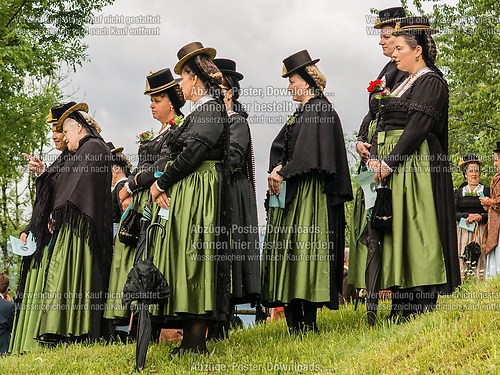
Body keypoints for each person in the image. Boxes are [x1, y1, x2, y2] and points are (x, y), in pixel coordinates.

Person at [368, 17, 460, 318]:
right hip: (402, 166)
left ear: (417, 50)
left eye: (399, 49)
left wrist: (389, 162)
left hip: (419, 165)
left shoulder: (431, 81)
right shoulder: (405, 81)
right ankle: (402, 302)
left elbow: (418, 126)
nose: (393, 55)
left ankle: (419, 305)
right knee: (402, 231)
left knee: (420, 229)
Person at [262, 50, 352, 334]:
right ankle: (293, 324)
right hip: (291, 193)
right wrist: (278, 168)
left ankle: (308, 324)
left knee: (305, 254)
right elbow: (283, 150)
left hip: (310, 196)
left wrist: (283, 171)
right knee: (289, 255)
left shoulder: (321, 110)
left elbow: (312, 157)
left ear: (307, 81)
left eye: (292, 80)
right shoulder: (300, 113)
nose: (289, 86)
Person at [149, 41, 229, 355]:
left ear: (195, 79)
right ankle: (189, 339)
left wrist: (161, 182)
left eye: (183, 78)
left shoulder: (210, 109)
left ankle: (196, 343)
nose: (180, 85)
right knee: (186, 259)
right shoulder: (199, 111)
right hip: (190, 188)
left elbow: (193, 153)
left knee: (196, 260)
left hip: (201, 191)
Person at [104, 68, 185, 329]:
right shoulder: (158, 132)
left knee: (157, 256)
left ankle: (163, 322)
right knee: (135, 258)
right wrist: (131, 186)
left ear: (171, 101)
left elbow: (163, 164)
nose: (151, 105)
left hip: (160, 199)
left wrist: (131, 184)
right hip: (140, 201)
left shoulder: (178, 129)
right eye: (151, 99)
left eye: (157, 100)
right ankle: (136, 322)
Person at [36, 102, 113, 343]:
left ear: (78, 128)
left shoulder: (95, 148)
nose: (64, 139)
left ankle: (78, 329)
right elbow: (60, 186)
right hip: (69, 226)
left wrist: (61, 210)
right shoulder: (78, 153)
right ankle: (60, 328)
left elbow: (82, 188)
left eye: (66, 132)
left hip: (84, 230)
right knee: (64, 276)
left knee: (79, 277)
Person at [349, 7, 408, 320]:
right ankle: (371, 309)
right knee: (374, 235)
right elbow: (370, 114)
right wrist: (360, 139)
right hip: (371, 163)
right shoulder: (386, 69)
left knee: (391, 233)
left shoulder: (410, 71)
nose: (381, 42)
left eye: (386, 36)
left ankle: (400, 304)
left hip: (393, 163)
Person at [10, 103, 75, 354]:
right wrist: (28, 227)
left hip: (53, 240)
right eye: (53, 131)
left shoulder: (75, 159)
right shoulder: (61, 160)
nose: (54, 136)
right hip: (40, 236)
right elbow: (43, 205)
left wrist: (44, 175)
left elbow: (59, 203)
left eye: (57, 130)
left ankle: (36, 345)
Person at [208, 58, 259, 338]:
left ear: (229, 92)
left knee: (228, 248)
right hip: (215, 189)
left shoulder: (237, 122)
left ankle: (223, 319)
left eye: (220, 87)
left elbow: (235, 158)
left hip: (231, 192)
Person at [455, 154, 490, 280]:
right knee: (463, 256)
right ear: (465, 174)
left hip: (481, 230)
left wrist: (480, 217)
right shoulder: (459, 192)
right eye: (471, 171)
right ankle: (462, 281)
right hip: (463, 230)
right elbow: (454, 213)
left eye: (476, 171)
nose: (474, 174)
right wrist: (468, 216)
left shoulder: (487, 191)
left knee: (480, 256)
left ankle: (481, 282)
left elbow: (493, 212)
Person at [480, 142, 500, 280]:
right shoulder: (497, 177)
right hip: (496, 219)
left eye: (496, 159)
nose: (494, 163)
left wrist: (491, 201)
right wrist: (488, 203)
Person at [107, 142, 131, 237]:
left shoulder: (121, 185)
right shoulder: (120, 185)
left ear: (116, 168)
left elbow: (125, 214)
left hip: (117, 230)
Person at [0, 274, 14, 355]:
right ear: (7, 288)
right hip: (3, 352)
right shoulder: (8, 306)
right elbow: (13, 328)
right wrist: (9, 303)